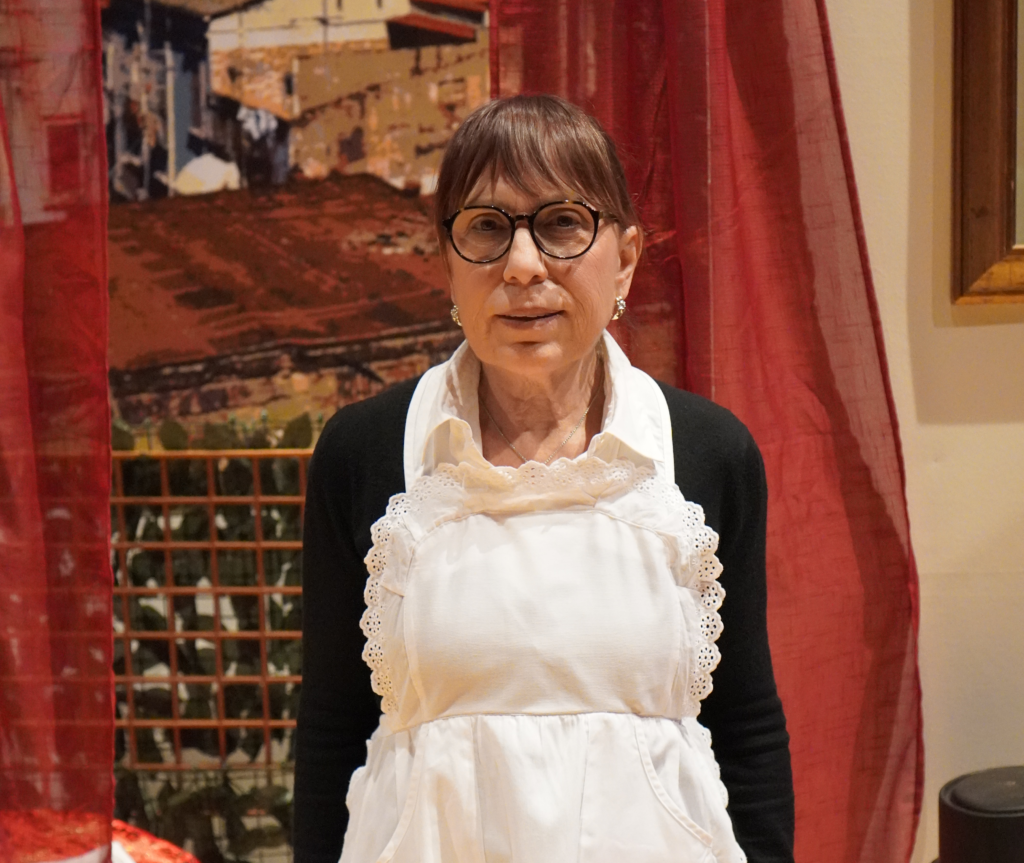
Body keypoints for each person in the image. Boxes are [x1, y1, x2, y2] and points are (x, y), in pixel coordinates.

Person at [294, 95, 794, 863]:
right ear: (448, 260)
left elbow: (746, 726)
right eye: (486, 228)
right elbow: (333, 728)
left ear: (625, 257)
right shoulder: (365, 451)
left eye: (562, 223)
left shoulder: (708, 452)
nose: (523, 265)